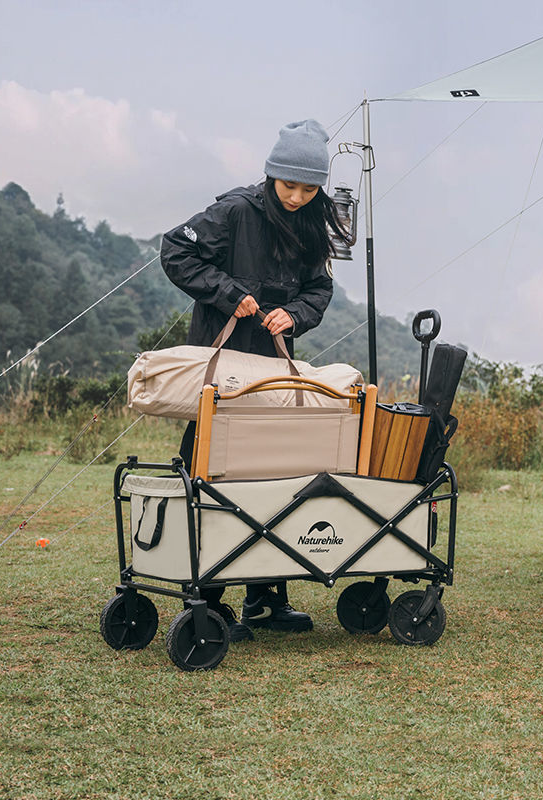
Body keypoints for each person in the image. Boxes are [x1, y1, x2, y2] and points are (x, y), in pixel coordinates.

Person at [159, 119, 349, 642]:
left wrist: (295, 314)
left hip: (272, 370)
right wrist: (228, 291)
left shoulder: (315, 221)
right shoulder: (237, 210)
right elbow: (175, 251)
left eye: (309, 189)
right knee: (212, 473)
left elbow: (318, 290)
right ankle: (208, 600)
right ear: (271, 175)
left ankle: (267, 600)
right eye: (289, 185)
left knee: (275, 475)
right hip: (223, 364)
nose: (296, 196)